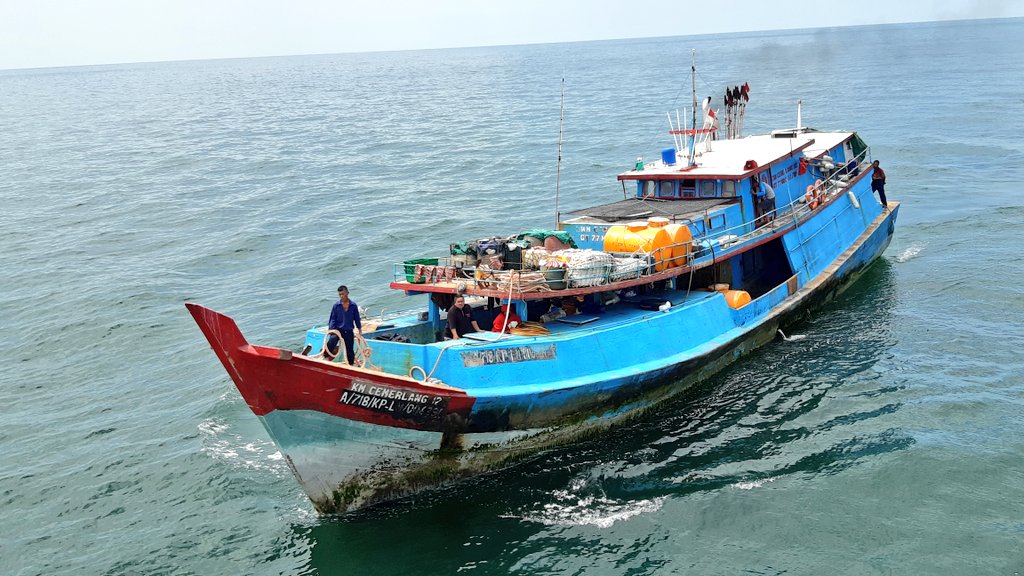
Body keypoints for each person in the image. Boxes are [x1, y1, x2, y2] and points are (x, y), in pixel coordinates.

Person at [326, 285, 361, 364]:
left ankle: (351, 365)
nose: (341, 296)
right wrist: (331, 329)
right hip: (338, 329)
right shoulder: (336, 306)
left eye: (343, 294)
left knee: (349, 349)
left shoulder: (353, 306)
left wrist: (359, 329)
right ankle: (326, 355)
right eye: (340, 294)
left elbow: (357, 318)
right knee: (333, 339)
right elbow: (333, 318)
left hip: (348, 330)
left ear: (347, 293)